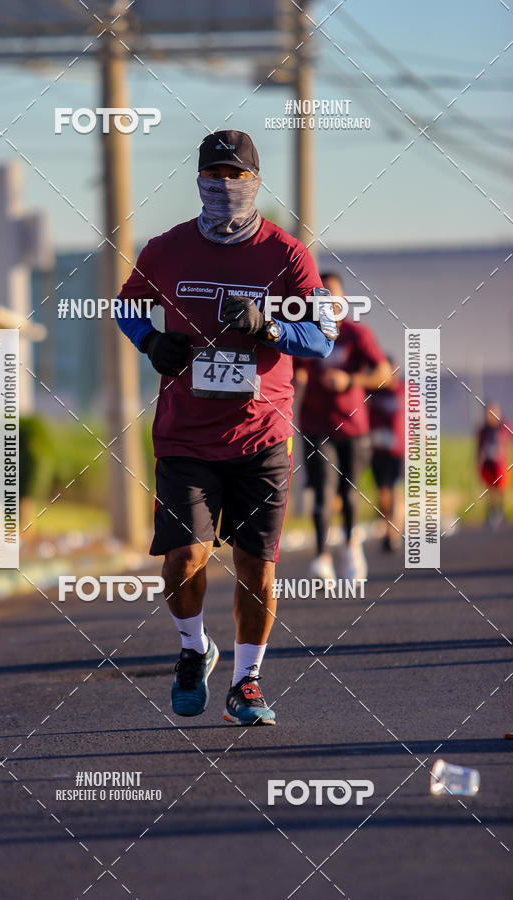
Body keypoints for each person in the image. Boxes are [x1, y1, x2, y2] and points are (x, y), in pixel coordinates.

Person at [115, 130, 335, 726]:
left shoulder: (287, 255)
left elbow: (322, 338)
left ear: (256, 183)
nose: (224, 187)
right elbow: (125, 305)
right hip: (185, 436)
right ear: (198, 182)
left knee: (256, 569)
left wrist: (270, 328)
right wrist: (151, 339)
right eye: (213, 176)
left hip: (262, 436)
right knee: (184, 557)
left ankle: (247, 682)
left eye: (236, 177)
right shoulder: (165, 249)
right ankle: (193, 649)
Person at [295, 272, 391, 581]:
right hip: (315, 425)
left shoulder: (356, 335)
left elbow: (384, 373)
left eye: (333, 294)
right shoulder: (305, 334)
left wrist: (351, 380)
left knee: (349, 493)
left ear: (343, 300)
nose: (328, 301)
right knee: (323, 491)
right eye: (320, 296)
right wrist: (298, 380)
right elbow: (291, 369)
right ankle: (322, 556)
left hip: (353, 428)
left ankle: (351, 547)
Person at [369, 356, 405, 551]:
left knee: (395, 491)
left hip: (398, 450)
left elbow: (418, 416)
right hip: (378, 450)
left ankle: (393, 533)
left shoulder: (404, 392)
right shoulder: (373, 393)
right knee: (383, 492)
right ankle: (387, 527)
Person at [477, 401, 511, 529]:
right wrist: (478, 462)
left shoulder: (503, 427)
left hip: (500, 463)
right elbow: (479, 448)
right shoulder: (483, 430)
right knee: (490, 489)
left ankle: (501, 512)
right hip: (488, 463)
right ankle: (491, 513)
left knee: (501, 488)